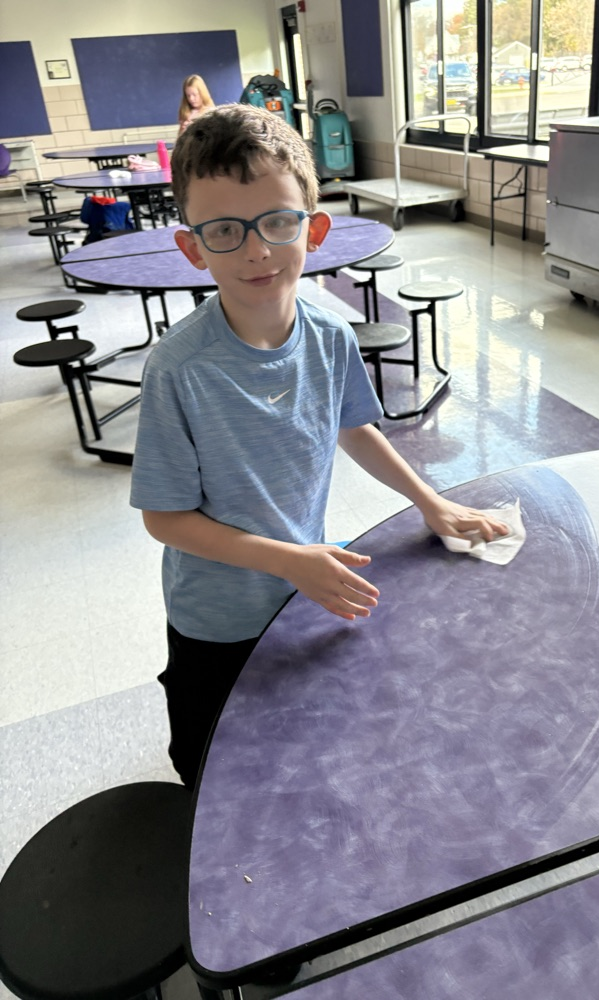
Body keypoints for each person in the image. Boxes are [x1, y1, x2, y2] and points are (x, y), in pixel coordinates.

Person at [130, 103, 509, 789]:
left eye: (277, 222)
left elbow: (352, 427)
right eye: (224, 231)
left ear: (315, 228)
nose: (256, 251)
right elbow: (166, 519)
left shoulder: (331, 336)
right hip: (218, 617)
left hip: (301, 589)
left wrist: (430, 501)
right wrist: (291, 560)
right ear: (193, 247)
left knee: (301, 744)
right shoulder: (178, 368)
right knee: (211, 766)